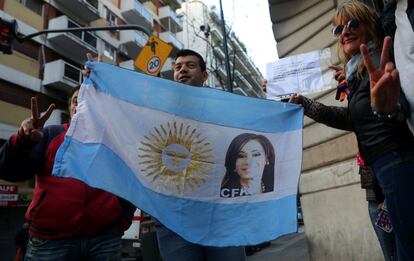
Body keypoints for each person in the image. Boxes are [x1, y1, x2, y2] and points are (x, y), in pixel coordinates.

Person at [289, 1, 414, 260]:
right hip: (381, 172)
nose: (344, 31)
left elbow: (398, 107)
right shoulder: (358, 70)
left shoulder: (380, 60)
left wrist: (389, 109)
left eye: (352, 24)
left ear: (369, 26)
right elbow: (354, 119)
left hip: (397, 162)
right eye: (338, 29)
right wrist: (307, 105)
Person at [0, 84, 135, 260]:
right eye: (76, 100)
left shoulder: (112, 143)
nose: (81, 104)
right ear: (70, 108)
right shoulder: (49, 134)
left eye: (88, 100)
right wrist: (22, 141)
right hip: (50, 242)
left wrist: (122, 222)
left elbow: (129, 184)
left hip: (104, 240)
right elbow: (9, 172)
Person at [154, 49, 246, 261]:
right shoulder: (157, 111)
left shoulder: (224, 110)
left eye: (190, 65)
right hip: (174, 218)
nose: (183, 69)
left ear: (205, 75)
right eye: (178, 67)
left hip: (221, 216)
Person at [220, 133, 275, 198]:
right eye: (241, 156)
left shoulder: (274, 189)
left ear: (266, 159)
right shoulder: (225, 193)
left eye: (256, 155)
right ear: (233, 161)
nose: (248, 161)